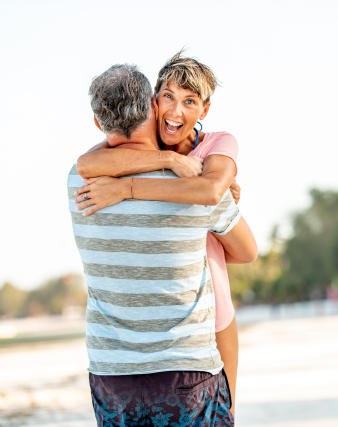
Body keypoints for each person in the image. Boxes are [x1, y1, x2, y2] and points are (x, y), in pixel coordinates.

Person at [68, 63, 257, 425]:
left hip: (116, 368)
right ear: (153, 104)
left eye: (190, 101)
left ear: (205, 109)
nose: (175, 110)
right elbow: (246, 248)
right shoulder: (171, 173)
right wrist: (167, 161)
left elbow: (210, 190)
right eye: (167, 97)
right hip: (187, 362)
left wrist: (128, 188)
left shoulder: (80, 181)